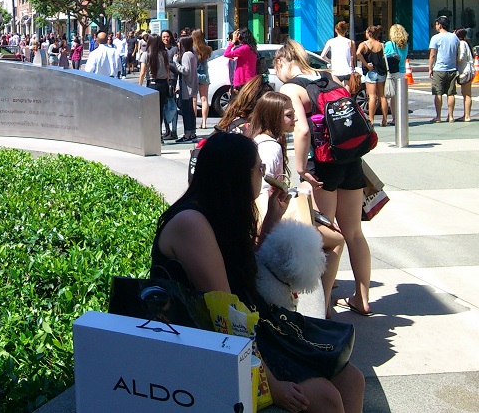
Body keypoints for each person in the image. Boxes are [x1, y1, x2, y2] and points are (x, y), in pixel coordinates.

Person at [151, 132, 365, 412]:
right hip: (208, 341)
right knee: (325, 398)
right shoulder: (192, 223)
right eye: (259, 168)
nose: (265, 174)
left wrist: (272, 218)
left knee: (353, 381)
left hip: (247, 325)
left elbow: (237, 268)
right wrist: (271, 384)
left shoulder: (220, 211)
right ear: (236, 174)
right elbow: (226, 313)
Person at [277, 39, 373, 318]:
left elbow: (302, 130)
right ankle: (362, 298)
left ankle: (325, 304)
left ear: (282, 62)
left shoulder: (291, 87)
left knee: (327, 235)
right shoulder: (329, 77)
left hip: (323, 164)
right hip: (351, 160)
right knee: (354, 233)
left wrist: (300, 169)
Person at [143, 33, 176, 141]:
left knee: (150, 111)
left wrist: (139, 86)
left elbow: (142, 72)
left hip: (152, 84)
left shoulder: (146, 54)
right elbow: (167, 70)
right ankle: (159, 135)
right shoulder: (164, 53)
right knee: (160, 110)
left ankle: (152, 135)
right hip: (163, 84)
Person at [429, 16, 460, 123]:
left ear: (440, 25)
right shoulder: (454, 37)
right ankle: (451, 116)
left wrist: (430, 68)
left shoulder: (435, 38)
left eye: (437, 24)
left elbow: (432, 55)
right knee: (451, 93)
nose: (436, 26)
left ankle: (438, 117)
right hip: (452, 68)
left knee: (438, 93)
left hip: (439, 69)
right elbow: (457, 53)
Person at [355, 25, 389, 126]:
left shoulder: (364, 44)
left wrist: (365, 64)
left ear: (369, 33)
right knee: (382, 96)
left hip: (370, 72)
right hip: (381, 71)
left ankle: (371, 120)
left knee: (372, 96)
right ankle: (385, 119)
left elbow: (358, 53)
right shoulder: (381, 45)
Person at [171, 35, 198, 143]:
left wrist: (176, 62)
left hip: (187, 87)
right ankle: (192, 132)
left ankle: (187, 134)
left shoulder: (186, 55)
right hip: (190, 86)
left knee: (187, 111)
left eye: (179, 42)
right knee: (190, 110)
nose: (177, 43)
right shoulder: (192, 53)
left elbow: (185, 71)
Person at [382, 24, 409, 125]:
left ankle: (395, 118)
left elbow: (384, 57)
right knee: (400, 96)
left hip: (393, 72)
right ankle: (401, 117)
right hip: (402, 71)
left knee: (392, 97)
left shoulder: (389, 44)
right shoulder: (406, 44)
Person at [224, 27, 259, 91]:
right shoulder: (251, 47)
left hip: (242, 80)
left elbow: (226, 54)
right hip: (250, 78)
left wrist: (232, 42)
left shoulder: (245, 48)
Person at [192, 29, 213, 129]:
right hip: (204, 75)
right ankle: (204, 122)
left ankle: (194, 122)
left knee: (194, 100)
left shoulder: (192, 49)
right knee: (204, 99)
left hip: (194, 75)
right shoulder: (207, 48)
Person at [456, 28, 474, 122]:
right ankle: (466, 114)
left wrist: (454, 62)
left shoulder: (462, 43)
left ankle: (466, 116)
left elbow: (461, 57)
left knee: (466, 94)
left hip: (465, 71)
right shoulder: (465, 43)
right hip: (468, 71)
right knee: (466, 94)